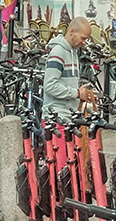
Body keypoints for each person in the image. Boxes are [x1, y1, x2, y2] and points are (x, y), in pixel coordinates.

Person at [43, 16, 92, 166]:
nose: (84, 42)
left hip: (68, 118)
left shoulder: (73, 52)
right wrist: (76, 93)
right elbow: (49, 85)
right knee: (62, 169)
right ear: (72, 31)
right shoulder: (58, 52)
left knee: (71, 169)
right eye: (83, 38)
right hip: (57, 118)